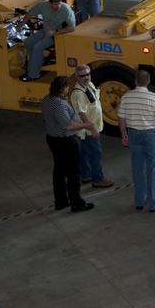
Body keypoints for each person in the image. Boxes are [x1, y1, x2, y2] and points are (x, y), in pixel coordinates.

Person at [42, 75, 97, 213]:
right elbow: (69, 126)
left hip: (52, 139)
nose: (68, 89)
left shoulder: (47, 100)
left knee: (59, 171)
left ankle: (60, 201)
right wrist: (87, 125)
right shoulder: (59, 104)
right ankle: (76, 203)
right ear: (63, 88)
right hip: (65, 141)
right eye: (67, 87)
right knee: (73, 173)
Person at [119, 69, 155, 212]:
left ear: (135, 81)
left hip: (134, 135)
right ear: (148, 82)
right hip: (151, 136)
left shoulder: (126, 97)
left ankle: (139, 201)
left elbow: (121, 119)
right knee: (152, 168)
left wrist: (124, 135)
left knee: (137, 168)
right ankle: (154, 203)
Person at [70, 64, 114, 188]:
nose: (86, 77)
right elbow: (82, 113)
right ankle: (98, 179)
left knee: (85, 152)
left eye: (87, 74)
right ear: (77, 77)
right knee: (96, 153)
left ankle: (86, 175)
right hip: (88, 130)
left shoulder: (90, 85)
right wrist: (92, 128)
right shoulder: (78, 93)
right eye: (82, 76)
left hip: (89, 129)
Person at [22, 0, 76, 81]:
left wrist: (55, 32)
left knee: (37, 47)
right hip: (46, 31)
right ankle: (37, 62)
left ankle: (33, 74)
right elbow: (29, 13)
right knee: (28, 42)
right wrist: (21, 24)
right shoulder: (43, 6)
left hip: (58, 34)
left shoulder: (66, 10)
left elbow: (72, 28)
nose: (58, 6)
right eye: (55, 4)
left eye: (59, 3)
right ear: (50, 3)